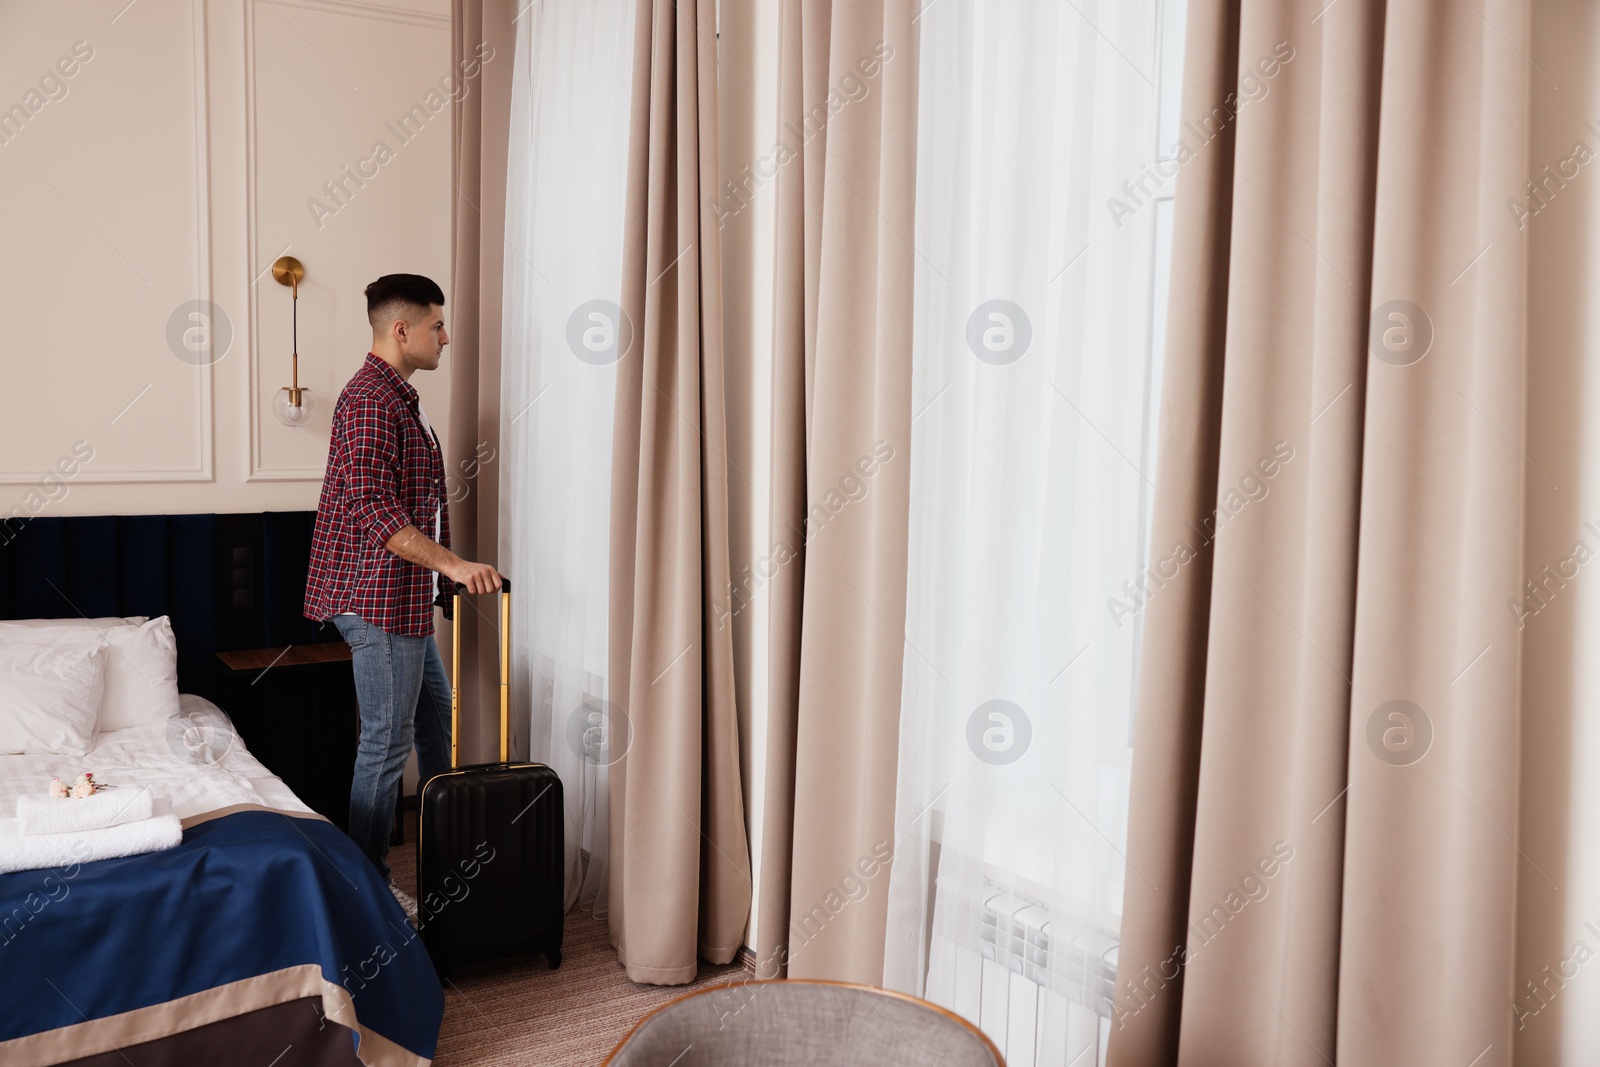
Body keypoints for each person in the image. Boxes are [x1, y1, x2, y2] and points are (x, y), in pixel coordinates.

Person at [303, 273, 502, 921]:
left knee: (436, 721)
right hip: (376, 600)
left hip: (405, 602)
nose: (446, 336)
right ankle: (368, 893)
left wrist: (441, 575)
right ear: (401, 330)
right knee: (386, 744)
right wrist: (456, 564)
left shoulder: (400, 399)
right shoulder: (369, 402)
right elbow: (372, 508)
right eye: (437, 325)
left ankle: (444, 863)